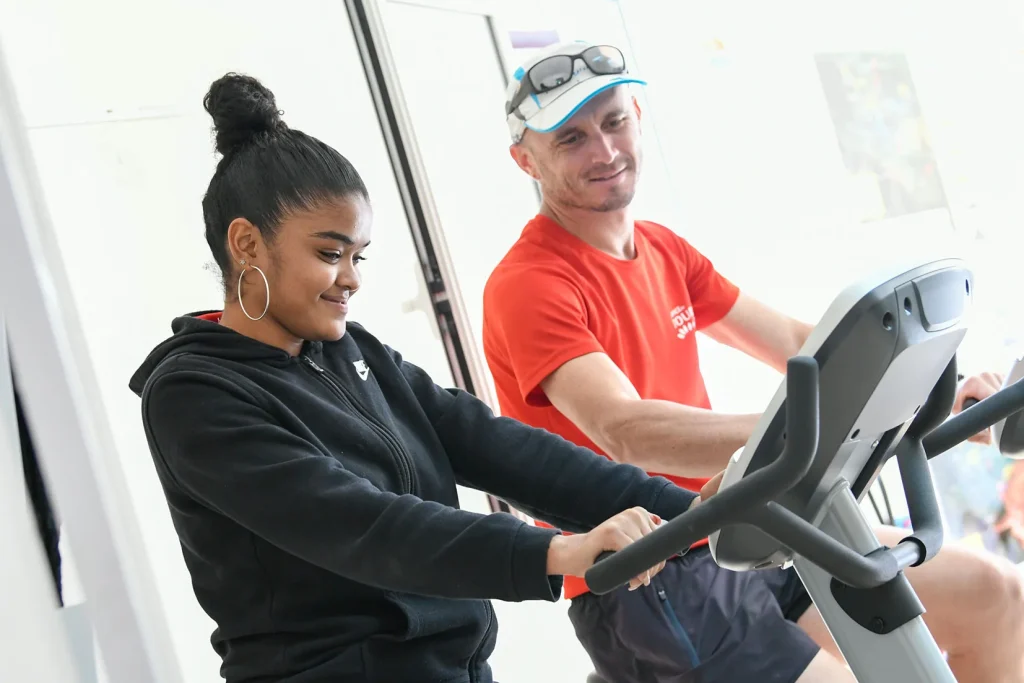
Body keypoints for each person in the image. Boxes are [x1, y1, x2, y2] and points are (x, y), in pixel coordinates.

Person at [128, 72, 709, 683]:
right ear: (246, 244)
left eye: (359, 255)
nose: (351, 278)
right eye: (330, 254)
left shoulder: (352, 352)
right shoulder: (195, 396)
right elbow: (365, 526)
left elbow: (499, 446)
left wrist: (691, 511)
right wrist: (558, 552)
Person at [483, 40, 1024, 683]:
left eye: (614, 121)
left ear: (638, 117)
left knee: (995, 596)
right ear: (526, 160)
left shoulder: (661, 249)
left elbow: (802, 344)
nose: (603, 151)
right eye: (569, 139)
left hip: (746, 529)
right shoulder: (531, 283)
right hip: (652, 575)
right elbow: (626, 431)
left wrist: (943, 392)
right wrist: (823, 427)